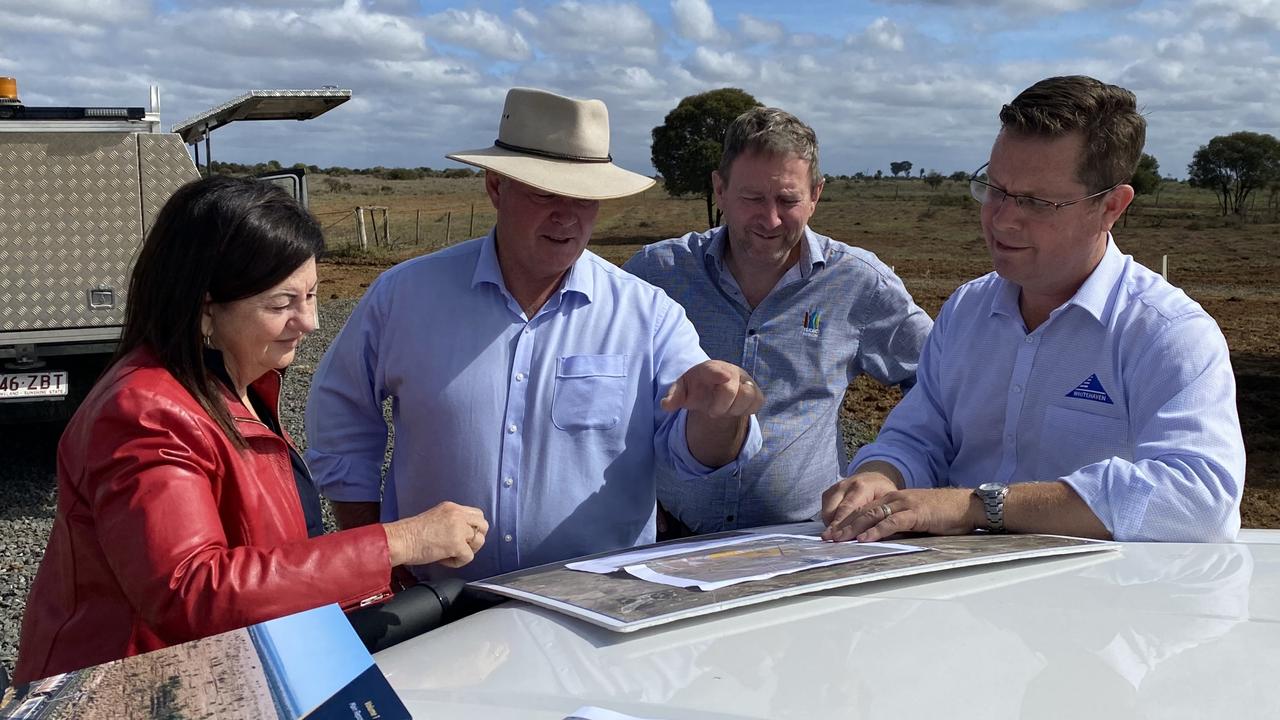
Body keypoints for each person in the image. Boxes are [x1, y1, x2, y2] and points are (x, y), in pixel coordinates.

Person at [13, 177, 488, 684]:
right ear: (205, 308)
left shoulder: (237, 383)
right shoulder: (145, 412)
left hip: (209, 675)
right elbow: (192, 590)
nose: (309, 321)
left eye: (312, 294)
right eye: (282, 304)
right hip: (127, 691)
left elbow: (266, 556)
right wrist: (399, 541)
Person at [305, 88, 763, 581]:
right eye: (545, 192)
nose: (566, 215)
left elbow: (693, 454)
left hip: (593, 610)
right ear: (496, 188)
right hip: (433, 606)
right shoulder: (404, 296)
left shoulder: (647, 314)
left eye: (585, 197)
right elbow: (342, 422)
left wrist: (723, 413)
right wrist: (378, 556)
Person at [822, 75, 1245, 544]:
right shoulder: (966, 310)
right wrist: (884, 476)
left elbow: (1200, 497)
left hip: (1101, 603)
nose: (1002, 218)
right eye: (995, 189)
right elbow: (920, 437)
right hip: (957, 599)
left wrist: (977, 506)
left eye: (1036, 202)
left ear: (1111, 207)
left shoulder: (1167, 333)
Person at [625, 107, 932, 534]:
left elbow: (939, 382)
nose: (770, 220)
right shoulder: (658, 274)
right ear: (720, 188)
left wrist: (888, 465)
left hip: (805, 538)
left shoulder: (859, 283)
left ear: (815, 196)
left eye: (787, 200)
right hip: (670, 537)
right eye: (752, 199)